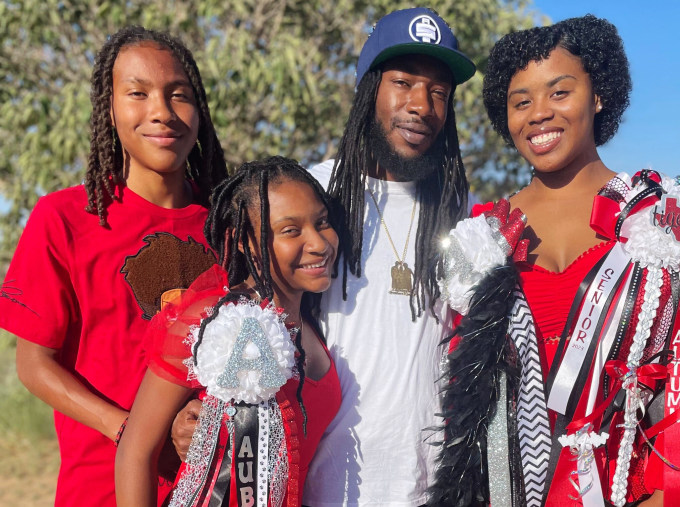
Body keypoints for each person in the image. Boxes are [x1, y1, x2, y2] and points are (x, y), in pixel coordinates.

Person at [172, 9, 474, 505]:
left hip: (429, 486)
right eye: (402, 82)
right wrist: (193, 411)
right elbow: (242, 310)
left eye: (439, 91)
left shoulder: (455, 205)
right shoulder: (316, 193)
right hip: (324, 484)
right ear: (368, 89)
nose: (421, 104)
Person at [429, 14, 680, 507]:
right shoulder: (482, 235)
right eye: (520, 101)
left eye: (559, 92)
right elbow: (464, 396)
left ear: (598, 95)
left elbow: (679, 401)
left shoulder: (657, 219)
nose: (538, 114)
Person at [0, 26, 227, 506]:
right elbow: (34, 365)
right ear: (110, 109)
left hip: (216, 486)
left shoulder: (230, 225)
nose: (161, 112)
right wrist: (132, 431)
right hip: (100, 489)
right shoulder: (64, 219)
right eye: (138, 94)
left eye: (178, 95)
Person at [115, 157, 342, 506]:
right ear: (242, 241)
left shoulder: (315, 322)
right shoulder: (208, 320)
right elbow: (136, 451)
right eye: (290, 230)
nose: (319, 243)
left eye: (322, 222)